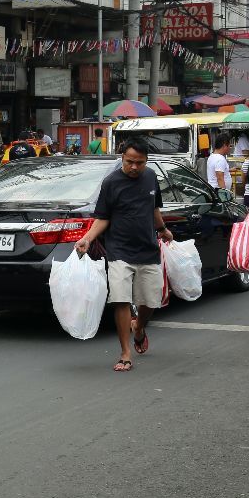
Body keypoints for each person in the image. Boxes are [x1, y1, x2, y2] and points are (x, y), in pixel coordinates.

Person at [73, 139, 173, 371]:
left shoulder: (151, 178)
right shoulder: (110, 183)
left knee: (150, 301)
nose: (134, 167)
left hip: (148, 249)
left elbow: (154, 208)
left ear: (146, 161)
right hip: (119, 251)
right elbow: (103, 218)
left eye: (139, 162)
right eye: (129, 162)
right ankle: (125, 353)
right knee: (120, 299)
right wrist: (87, 238)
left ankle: (138, 328)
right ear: (122, 159)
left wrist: (163, 230)